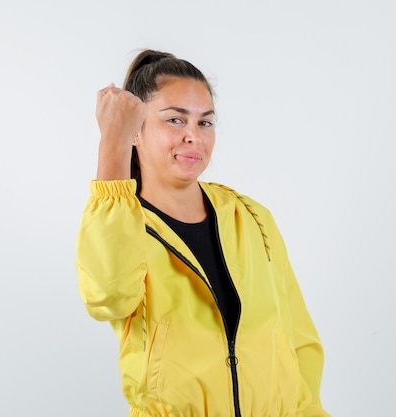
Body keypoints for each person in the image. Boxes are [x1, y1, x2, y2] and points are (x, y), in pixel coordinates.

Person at [75, 49, 330, 417]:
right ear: (136, 131)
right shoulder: (122, 227)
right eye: (175, 121)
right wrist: (111, 142)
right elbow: (107, 297)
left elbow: (299, 341)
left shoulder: (252, 218)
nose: (193, 136)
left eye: (205, 123)